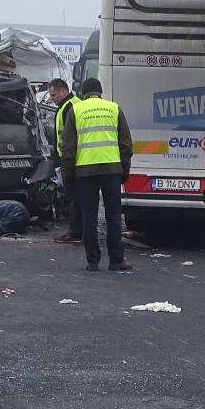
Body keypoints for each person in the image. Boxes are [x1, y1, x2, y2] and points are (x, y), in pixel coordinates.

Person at [59, 77, 133, 271]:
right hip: (111, 170)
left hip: (85, 171)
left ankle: (93, 261)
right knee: (113, 216)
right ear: (100, 92)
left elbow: (68, 148)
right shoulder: (114, 108)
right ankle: (116, 259)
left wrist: (68, 175)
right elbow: (125, 144)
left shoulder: (76, 110)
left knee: (89, 216)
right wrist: (124, 171)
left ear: (84, 93)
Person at [47, 77, 83, 244]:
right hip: (72, 157)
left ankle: (75, 232)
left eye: (54, 95)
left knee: (74, 196)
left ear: (63, 91)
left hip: (71, 159)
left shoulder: (69, 106)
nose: (52, 98)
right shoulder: (68, 105)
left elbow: (69, 137)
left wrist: (63, 161)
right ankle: (77, 230)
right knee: (76, 196)